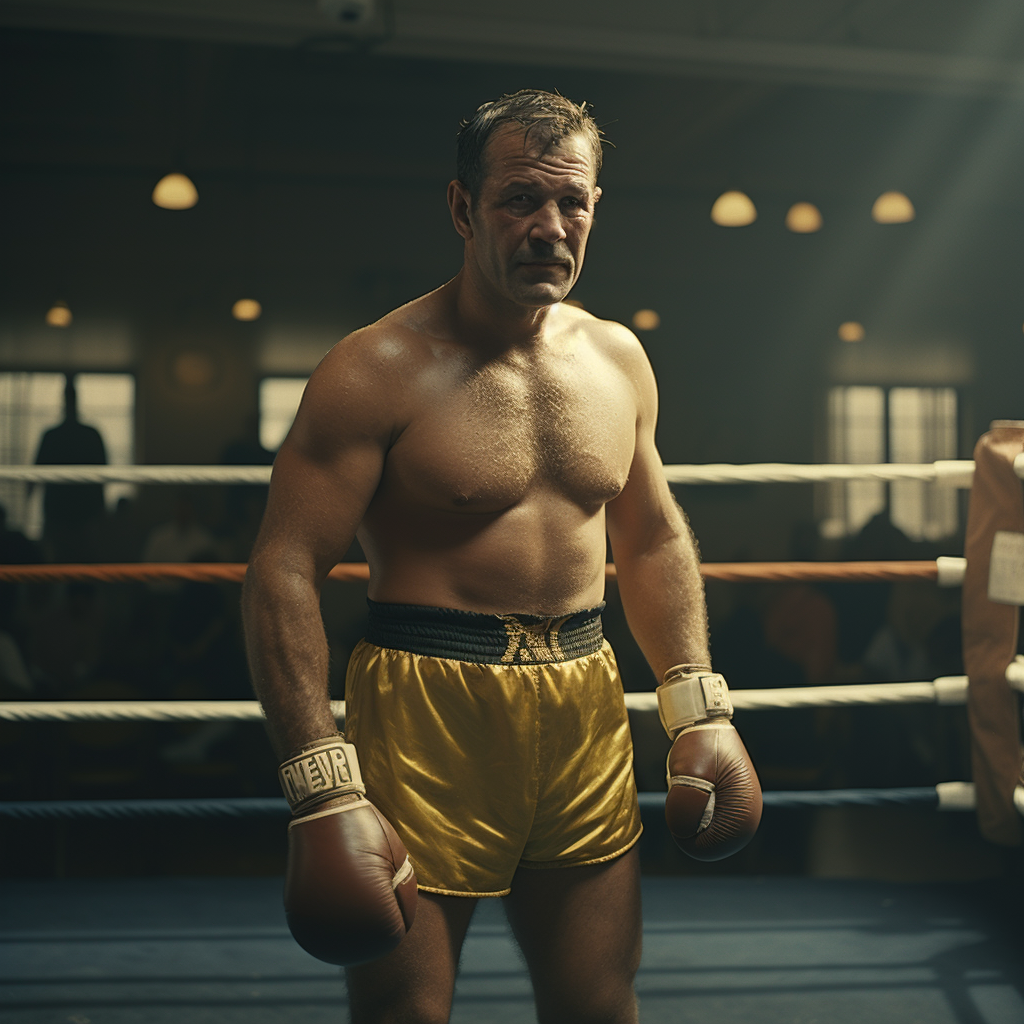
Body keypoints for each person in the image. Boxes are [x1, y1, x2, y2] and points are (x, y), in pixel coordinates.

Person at [242, 90, 760, 1024]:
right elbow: (283, 566)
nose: (549, 228)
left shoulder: (618, 358)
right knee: (410, 1014)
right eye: (520, 199)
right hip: (427, 701)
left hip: (585, 698)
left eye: (573, 205)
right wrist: (317, 773)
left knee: (599, 1004)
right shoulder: (376, 368)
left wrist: (695, 701)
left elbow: (650, 537)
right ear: (462, 208)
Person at [33, 374, 107, 562]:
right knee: (57, 569)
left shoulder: (85, 435)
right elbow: (35, 473)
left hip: (82, 514)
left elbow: (103, 474)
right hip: (63, 514)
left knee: (81, 569)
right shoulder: (57, 435)